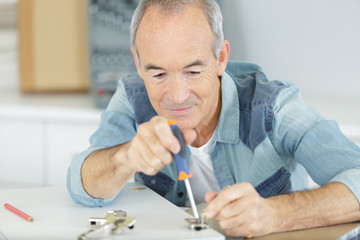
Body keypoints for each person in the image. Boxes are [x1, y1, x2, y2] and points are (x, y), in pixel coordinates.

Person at [67, 0, 360, 238]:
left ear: (221, 58)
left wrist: (277, 214)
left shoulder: (273, 107)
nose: (178, 96)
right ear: (138, 62)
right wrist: (125, 157)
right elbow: (81, 186)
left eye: (193, 72)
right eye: (158, 74)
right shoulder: (132, 96)